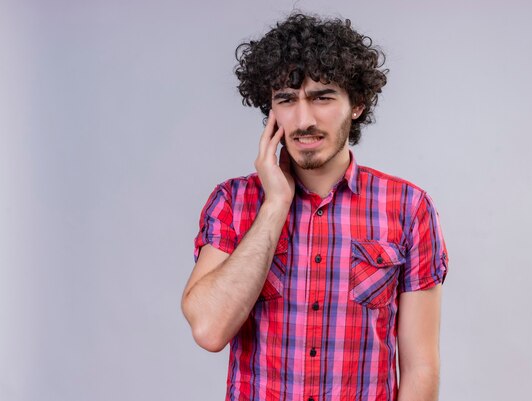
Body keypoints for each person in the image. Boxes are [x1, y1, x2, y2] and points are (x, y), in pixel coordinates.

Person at [181, 12, 449, 401]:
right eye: (287, 100)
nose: (304, 119)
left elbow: (420, 365)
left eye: (322, 97)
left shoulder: (408, 208)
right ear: (271, 112)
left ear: (356, 104)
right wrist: (275, 205)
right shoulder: (234, 202)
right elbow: (209, 329)